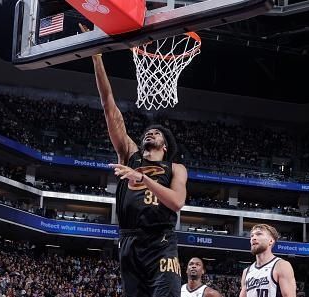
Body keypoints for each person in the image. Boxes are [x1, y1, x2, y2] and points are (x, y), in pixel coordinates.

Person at [79, 24, 187, 297]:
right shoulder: (130, 154)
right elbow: (108, 106)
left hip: (161, 241)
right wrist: (97, 58)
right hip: (128, 240)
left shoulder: (175, 168)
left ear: (165, 145)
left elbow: (176, 203)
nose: (151, 132)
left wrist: (143, 178)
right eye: (148, 132)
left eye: (158, 133)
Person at [239, 224, 296, 297]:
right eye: (252, 236)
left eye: (259, 234)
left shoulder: (281, 265)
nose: (253, 238)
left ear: (271, 241)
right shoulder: (246, 272)